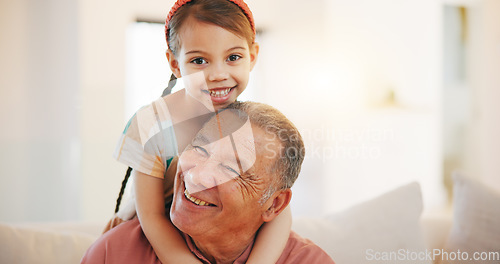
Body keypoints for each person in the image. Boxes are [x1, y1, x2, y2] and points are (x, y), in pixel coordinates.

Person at [107, 1, 292, 263]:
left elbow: (279, 208)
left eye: (233, 57)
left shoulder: (250, 122)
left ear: (252, 56)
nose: (218, 74)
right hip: (161, 224)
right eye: (199, 60)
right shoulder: (152, 124)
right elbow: (151, 216)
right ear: (175, 64)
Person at [82, 101, 335, 264]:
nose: (196, 176)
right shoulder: (114, 252)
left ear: (274, 205)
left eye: (229, 168)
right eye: (200, 150)